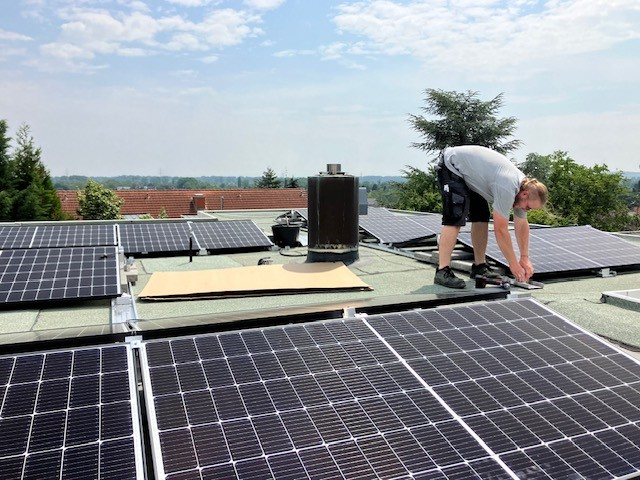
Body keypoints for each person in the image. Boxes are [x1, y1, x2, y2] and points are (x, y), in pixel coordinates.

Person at [434, 145, 548, 289]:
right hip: (452, 165)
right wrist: (513, 264)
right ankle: (442, 271)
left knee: (481, 215)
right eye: (528, 207)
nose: (526, 210)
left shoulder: (524, 189)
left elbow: (521, 223)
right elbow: (500, 230)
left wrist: (524, 258)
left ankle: (479, 267)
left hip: (469, 174)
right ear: (524, 194)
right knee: (455, 216)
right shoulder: (508, 187)